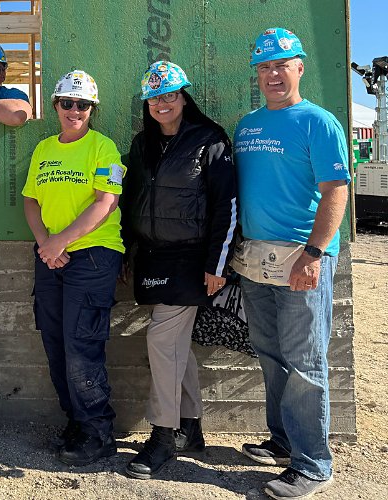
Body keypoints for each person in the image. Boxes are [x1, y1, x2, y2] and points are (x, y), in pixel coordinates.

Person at [233, 28, 350, 499]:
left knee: (304, 361)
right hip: (257, 259)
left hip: (302, 256)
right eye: (264, 67)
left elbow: (336, 189)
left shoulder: (318, 122)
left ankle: (313, 464)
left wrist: (315, 253)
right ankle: (283, 442)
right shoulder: (248, 125)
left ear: (299, 67)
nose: (272, 75)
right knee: (271, 353)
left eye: (281, 65)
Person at [121, 61, 238, 480]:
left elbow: (227, 205)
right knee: (176, 345)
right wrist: (124, 250)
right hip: (153, 257)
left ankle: (163, 436)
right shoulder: (142, 144)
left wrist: (217, 265)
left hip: (192, 259)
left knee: (161, 339)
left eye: (169, 94)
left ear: (185, 96)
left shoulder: (210, 140)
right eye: (154, 97)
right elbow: (130, 200)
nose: (162, 103)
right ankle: (190, 426)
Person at [22, 70, 125, 466]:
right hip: (51, 257)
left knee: (82, 345)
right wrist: (46, 247)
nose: (74, 110)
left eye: (82, 105)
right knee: (55, 343)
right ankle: (77, 422)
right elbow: (32, 201)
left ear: (91, 109)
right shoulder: (44, 149)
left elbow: (105, 203)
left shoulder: (103, 148)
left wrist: (57, 243)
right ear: (56, 106)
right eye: (67, 103)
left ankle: (98, 432)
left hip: (93, 255)